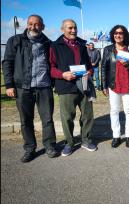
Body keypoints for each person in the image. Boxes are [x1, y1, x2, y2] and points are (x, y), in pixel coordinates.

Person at [2, 14, 59, 162]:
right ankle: (30, 148)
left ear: (43, 27)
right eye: (30, 24)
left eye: (37, 24)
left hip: (44, 87)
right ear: (27, 25)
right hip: (23, 88)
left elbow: (54, 64)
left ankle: (50, 146)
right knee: (26, 120)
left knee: (47, 119)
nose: (33, 27)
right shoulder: (15, 41)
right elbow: (7, 63)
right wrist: (9, 85)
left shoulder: (49, 43)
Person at [50, 19, 97, 156]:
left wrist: (89, 72)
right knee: (67, 117)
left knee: (88, 115)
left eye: (75, 27)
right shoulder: (55, 46)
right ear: (62, 29)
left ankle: (86, 140)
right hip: (66, 86)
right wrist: (63, 75)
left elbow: (89, 65)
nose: (73, 30)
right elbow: (51, 68)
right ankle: (69, 143)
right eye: (70, 28)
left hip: (84, 86)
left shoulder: (82, 45)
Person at [101, 25, 129, 148]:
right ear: (113, 35)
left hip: (128, 83)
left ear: (124, 35)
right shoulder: (108, 49)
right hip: (113, 84)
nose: (118, 35)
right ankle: (116, 136)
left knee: (128, 110)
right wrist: (103, 85)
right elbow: (104, 68)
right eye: (115, 33)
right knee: (114, 110)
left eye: (121, 33)